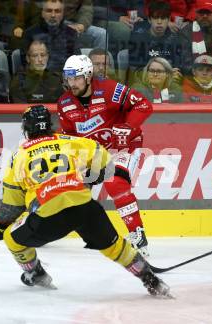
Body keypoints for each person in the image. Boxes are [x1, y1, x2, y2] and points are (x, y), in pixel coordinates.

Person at [0, 105, 171, 297]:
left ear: (26, 128)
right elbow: (107, 164)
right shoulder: (71, 142)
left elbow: (11, 207)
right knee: (115, 247)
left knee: (11, 238)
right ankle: (151, 280)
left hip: (49, 217)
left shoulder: (18, 157)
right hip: (85, 209)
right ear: (50, 125)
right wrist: (93, 176)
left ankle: (36, 273)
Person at [57, 55, 153, 257]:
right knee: (67, 188)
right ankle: (44, 227)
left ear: (88, 76)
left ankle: (137, 235)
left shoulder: (110, 89)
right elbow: (69, 136)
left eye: (76, 78)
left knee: (114, 181)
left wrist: (127, 126)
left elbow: (144, 104)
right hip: (94, 152)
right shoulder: (64, 103)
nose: (71, 83)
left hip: (123, 147)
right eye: (68, 78)